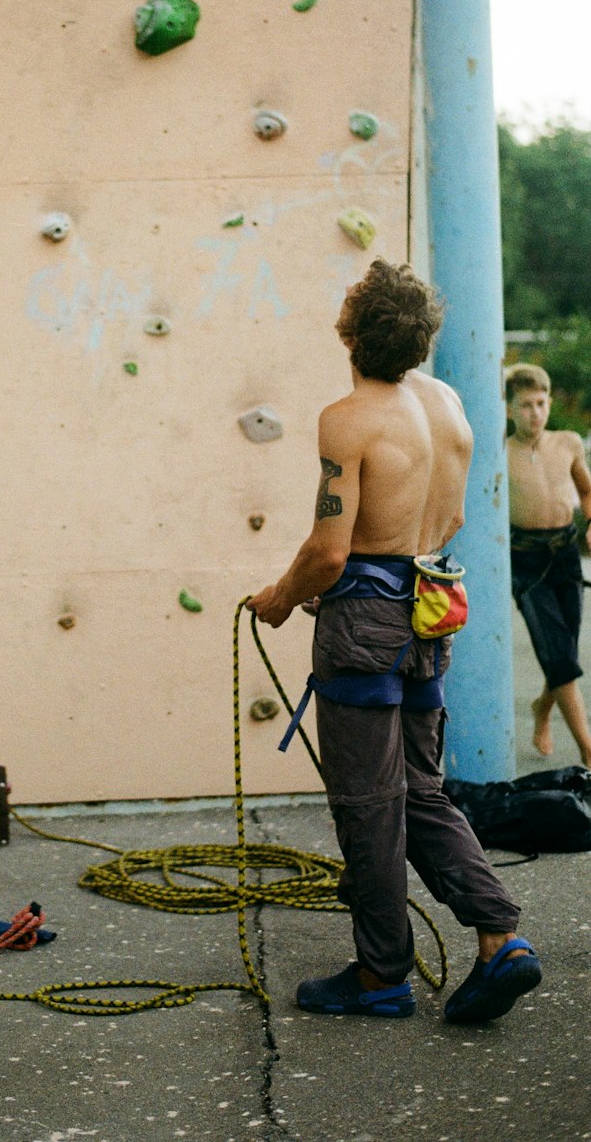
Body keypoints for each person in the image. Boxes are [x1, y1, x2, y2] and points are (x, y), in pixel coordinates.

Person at [247, 259, 541, 1023]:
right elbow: (453, 523)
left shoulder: (347, 419)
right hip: (430, 614)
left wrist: (280, 599)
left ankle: (381, 975)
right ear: (421, 335)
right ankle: (499, 934)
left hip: (364, 624)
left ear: (350, 330)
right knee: (422, 789)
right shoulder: (447, 406)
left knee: (370, 805)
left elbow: (329, 550)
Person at [505, 363, 591, 767]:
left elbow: (587, 492)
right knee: (557, 655)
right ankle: (589, 750)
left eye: (540, 403)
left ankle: (544, 706)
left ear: (550, 403)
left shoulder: (568, 442)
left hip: (565, 554)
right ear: (508, 409)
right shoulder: (500, 451)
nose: (534, 413)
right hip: (524, 560)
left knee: (565, 651)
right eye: (524, 405)